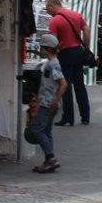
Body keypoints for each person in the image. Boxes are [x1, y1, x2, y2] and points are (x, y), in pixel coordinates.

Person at [45, 0, 91, 126]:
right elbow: (87, 30)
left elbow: (52, 41)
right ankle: (85, 116)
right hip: (78, 51)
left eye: (47, 9)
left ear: (52, 6)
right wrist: (86, 47)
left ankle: (68, 117)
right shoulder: (75, 14)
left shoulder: (54, 21)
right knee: (80, 85)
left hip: (65, 53)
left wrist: (51, 56)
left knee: (65, 85)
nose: (47, 12)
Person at [29, 34, 66, 173]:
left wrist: (55, 101)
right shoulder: (51, 63)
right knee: (46, 131)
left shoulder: (52, 64)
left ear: (47, 49)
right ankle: (47, 161)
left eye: (41, 48)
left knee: (38, 130)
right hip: (49, 101)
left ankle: (51, 158)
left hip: (47, 103)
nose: (39, 50)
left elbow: (63, 84)